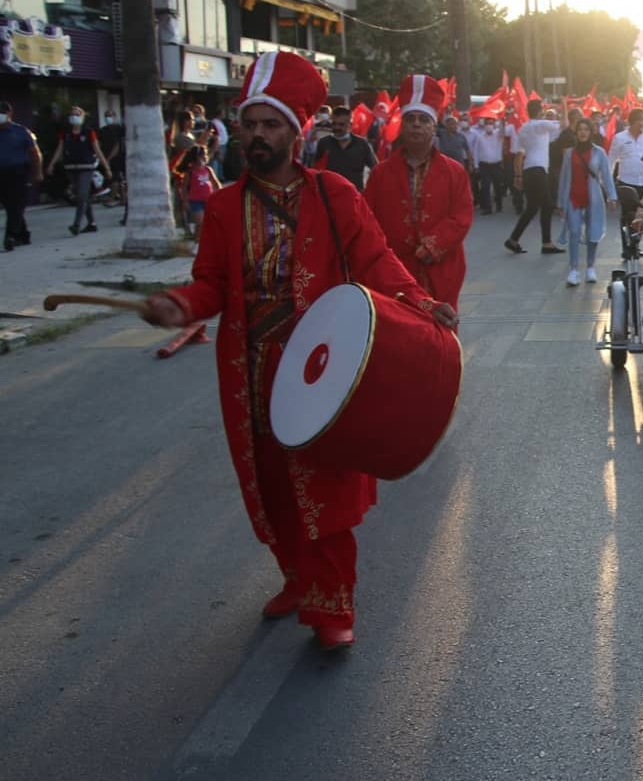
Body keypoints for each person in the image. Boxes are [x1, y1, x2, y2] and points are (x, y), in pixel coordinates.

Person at [139, 52, 458, 651]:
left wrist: (420, 301)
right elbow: (209, 281)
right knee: (271, 486)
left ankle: (332, 605)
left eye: (270, 125)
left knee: (326, 490)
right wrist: (182, 304)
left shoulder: (334, 193)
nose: (257, 136)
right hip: (250, 371)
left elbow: (375, 263)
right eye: (250, 125)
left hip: (324, 369)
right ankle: (296, 577)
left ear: (295, 130)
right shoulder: (226, 207)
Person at [364, 75, 474, 309]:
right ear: (401, 125)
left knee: (440, 335)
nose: (416, 124)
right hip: (394, 272)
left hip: (442, 268)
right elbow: (368, 221)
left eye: (423, 119)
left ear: (434, 126)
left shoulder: (455, 172)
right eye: (410, 119)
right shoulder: (380, 174)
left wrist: (433, 244)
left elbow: (462, 216)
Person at [555, 117, 618, 285]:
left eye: (586, 129)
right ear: (576, 133)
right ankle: (574, 270)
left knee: (593, 232)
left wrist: (612, 196)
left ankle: (590, 267)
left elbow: (606, 175)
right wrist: (560, 202)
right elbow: (563, 178)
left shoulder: (599, 153)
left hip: (594, 198)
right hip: (573, 197)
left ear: (591, 133)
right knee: (574, 232)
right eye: (580, 129)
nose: (583, 132)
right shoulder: (569, 153)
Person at [505, 99, 563, 254]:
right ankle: (541, 242)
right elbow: (561, 126)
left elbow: (520, 152)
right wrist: (563, 105)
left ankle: (536, 241)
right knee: (541, 206)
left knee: (540, 206)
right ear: (540, 111)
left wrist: (518, 176)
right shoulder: (540, 125)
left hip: (529, 170)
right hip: (539, 170)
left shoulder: (524, 128)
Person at [46, 106, 111, 236]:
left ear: (82, 117)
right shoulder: (66, 133)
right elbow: (60, 149)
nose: (74, 116)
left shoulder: (88, 132)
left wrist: (106, 167)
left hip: (86, 168)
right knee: (83, 197)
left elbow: (97, 150)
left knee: (81, 195)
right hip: (71, 167)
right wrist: (51, 164)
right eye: (72, 114)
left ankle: (76, 224)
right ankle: (92, 223)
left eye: (77, 114)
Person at [609, 107, 643, 233]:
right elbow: (610, 160)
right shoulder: (619, 138)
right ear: (634, 121)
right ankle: (627, 244)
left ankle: (635, 243)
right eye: (642, 121)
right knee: (628, 214)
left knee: (640, 215)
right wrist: (608, 185)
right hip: (626, 182)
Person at [0, 101, 42, 250]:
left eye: (3, 112)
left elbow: (35, 153)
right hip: (1, 173)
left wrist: (38, 172)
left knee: (17, 203)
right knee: (10, 205)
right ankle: (23, 234)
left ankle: (10, 236)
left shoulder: (21, 131)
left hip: (19, 172)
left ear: (10, 114)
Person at [312, 106, 377, 192]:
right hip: (330, 196)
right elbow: (315, 170)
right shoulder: (324, 143)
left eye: (341, 124)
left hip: (355, 196)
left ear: (350, 124)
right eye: (334, 124)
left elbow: (375, 169)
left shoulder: (362, 144)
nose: (336, 128)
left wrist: (370, 190)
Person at [175, 145, 221, 243]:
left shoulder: (208, 169)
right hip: (195, 201)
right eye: (203, 154)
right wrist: (185, 201)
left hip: (209, 200)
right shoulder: (190, 172)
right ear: (197, 157)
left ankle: (199, 240)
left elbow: (216, 183)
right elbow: (184, 187)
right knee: (200, 222)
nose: (205, 156)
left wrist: (221, 195)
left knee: (208, 223)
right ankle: (197, 241)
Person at [467, 115, 505, 214]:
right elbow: (475, 151)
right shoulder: (480, 137)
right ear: (484, 125)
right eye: (487, 124)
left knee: (498, 186)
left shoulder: (498, 134)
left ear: (494, 125)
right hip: (484, 165)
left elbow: (502, 130)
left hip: (496, 164)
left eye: (491, 124)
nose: (489, 126)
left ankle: (499, 205)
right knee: (485, 187)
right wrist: (475, 165)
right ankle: (488, 208)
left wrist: (503, 119)